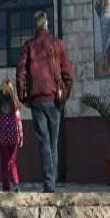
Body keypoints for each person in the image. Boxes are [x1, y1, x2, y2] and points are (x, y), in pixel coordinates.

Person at [16, 10, 73, 193]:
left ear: (35, 25)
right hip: (54, 99)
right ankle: (51, 182)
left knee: (44, 142)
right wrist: (64, 95)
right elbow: (68, 74)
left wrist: (24, 96)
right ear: (46, 23)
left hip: (37, 100)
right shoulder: (57, 44)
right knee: (53, 142)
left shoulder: (29, 46)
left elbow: (21, 74)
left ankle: (49, 182)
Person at [0, 79, 24, 192]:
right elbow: (19, 122)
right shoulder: (15, 106)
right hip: (13, 137)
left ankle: (6, 186)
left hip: (2, 138)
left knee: (4, 162)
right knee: (13, 161)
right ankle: (16, 183)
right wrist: (21, 137)